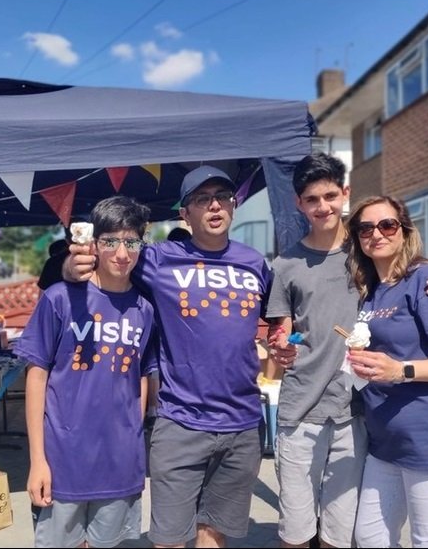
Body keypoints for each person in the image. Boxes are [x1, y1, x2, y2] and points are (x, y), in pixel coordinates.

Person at [60, 165, 272, 548]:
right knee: (170, 539)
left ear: (234, 206)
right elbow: (108, 258)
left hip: (243, 422)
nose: (214, 206)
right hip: (181, 421)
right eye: (201, 199)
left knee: (213, 533)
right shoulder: (157, 258)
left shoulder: (255, 263)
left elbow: (280, 318)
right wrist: (70, 268)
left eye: (222, 197)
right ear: (184, 214)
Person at [266, 154, 428, 548]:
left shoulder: (367, 250)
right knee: (294, 532)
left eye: (330, 195)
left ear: (345, 193)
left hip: (356, 412)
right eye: (311, 199)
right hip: (300, 409)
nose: (322, 206)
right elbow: (282, 329)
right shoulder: (286, 263)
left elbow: (412, 275)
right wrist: (278, 346)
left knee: (340, 535)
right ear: (299, 204)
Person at [14, 195, 158, 548]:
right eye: (110, 241)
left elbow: (141, 375)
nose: (122, 253)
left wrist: (131, 435)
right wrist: (37, 461)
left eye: (131, 242)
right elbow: (36, 377)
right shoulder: (60, 299)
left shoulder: (144, 309)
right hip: (63, 460)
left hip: (119, 463)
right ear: (93, 244)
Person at [342, 195, 428, 548]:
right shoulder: (371, 291)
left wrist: (400, 370)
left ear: (404, 231)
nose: (377, 233)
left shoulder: (427, 280)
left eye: (387, 225)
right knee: (370, 537)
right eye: (365, 228)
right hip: (386, 442)